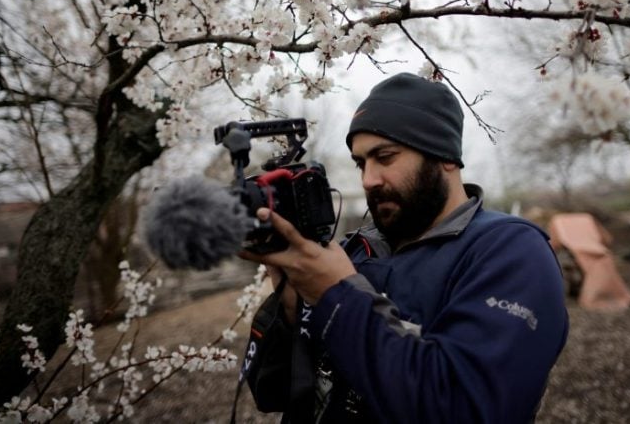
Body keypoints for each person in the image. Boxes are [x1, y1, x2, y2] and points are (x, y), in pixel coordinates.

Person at [240, 72, 568, 423]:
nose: (368, 179)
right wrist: (292, 310)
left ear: (444, 156)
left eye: (385, 157)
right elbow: (273, 393)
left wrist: (335, 295)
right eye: (361, 163)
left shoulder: (509, 252)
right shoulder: (355, 251)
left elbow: (466, 407)